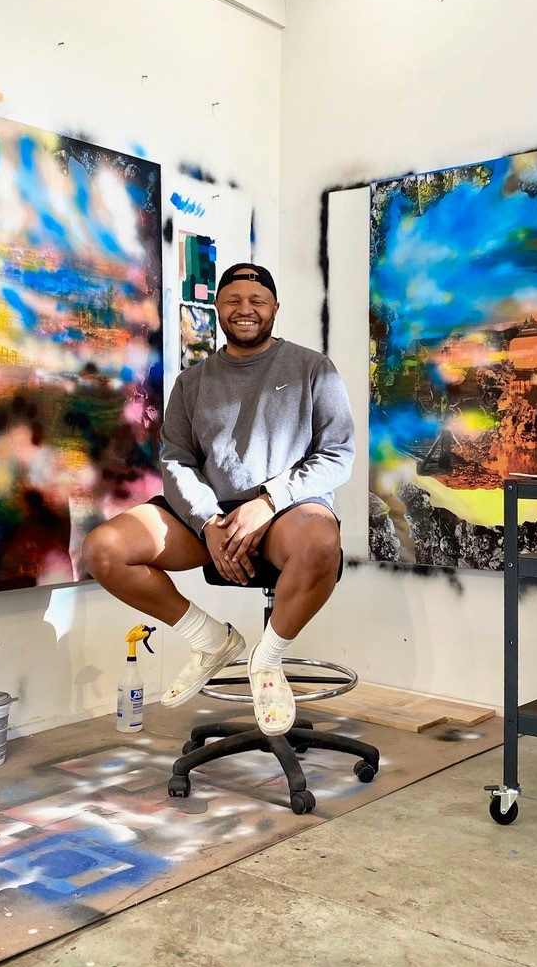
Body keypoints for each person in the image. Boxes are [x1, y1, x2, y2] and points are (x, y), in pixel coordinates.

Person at [82, 262, 354, 736]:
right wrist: (208, 520)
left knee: (321, 543)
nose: (245, 309)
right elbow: (176, 460)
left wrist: (268, 501)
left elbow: (337, 456)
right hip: (208, 518)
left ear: (274, 308)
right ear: (217, 308)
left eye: (257, 301)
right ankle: (209, 639)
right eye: (233, 300)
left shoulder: (313, 369)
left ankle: (266, 661)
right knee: (103, 550)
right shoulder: (192, 382)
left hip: (284, 512)